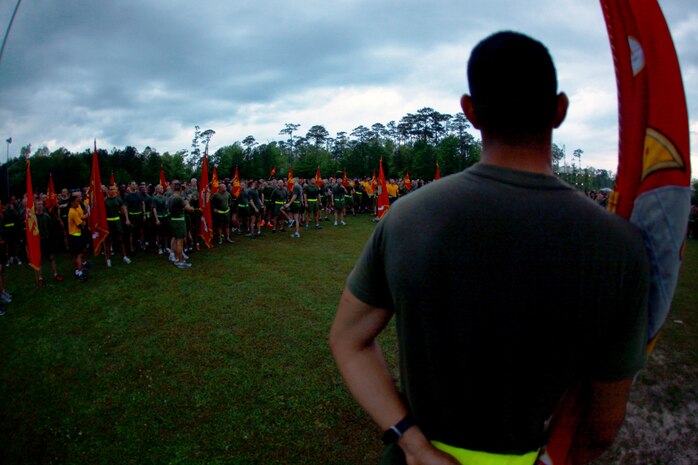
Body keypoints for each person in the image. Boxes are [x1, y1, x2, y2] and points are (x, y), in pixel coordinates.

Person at [329, 31, 649, 465]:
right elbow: (600, 425)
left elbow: (348, 341)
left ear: (470, 111)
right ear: (560, 110)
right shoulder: (619, 246)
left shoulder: (407, 218)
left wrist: (415, 445)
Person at [33, 200, 64, 286]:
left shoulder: (46, 216)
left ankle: (55, 274)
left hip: (47, 240)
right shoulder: (33, 217)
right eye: (38, 204)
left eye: (41, 204)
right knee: (38, 260)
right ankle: (40, 278)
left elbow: (51, 228)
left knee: (51, 257)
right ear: (35, 205)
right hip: (38, 241)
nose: (40, 206)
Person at [168, 180, 194, 269]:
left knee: (175, 240)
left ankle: (176, 258)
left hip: (173, 220)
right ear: (180, 189)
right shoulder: (179, 198)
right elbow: (189, 209)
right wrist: (188, 202)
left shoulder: (171, 197)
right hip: (179, 221)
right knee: (180, 242)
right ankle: (180, 261)